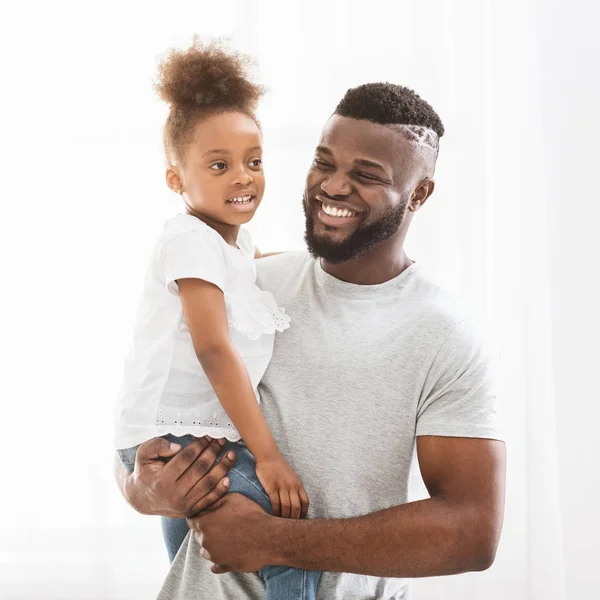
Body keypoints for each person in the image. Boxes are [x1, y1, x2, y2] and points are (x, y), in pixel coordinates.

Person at [116, 81, 507, 600]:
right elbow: (161, 410)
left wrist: (278, 541)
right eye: (324, 163)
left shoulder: (445, 335)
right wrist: (142, 491)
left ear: (419, 193)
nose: (334, 187)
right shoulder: (249, 285)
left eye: (366, 175)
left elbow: (472, 532)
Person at [114, 38, 321, 599]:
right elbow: (213, 349)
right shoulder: (188, 240)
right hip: (180, 435)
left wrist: (325, 261)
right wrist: (270, 456)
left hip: (181, 432)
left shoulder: (230, 244)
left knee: (195, 564)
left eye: (254, 161)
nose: (243, 177)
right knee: (287, 535)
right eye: (219, 164)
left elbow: (259, 271)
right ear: (176, 180)